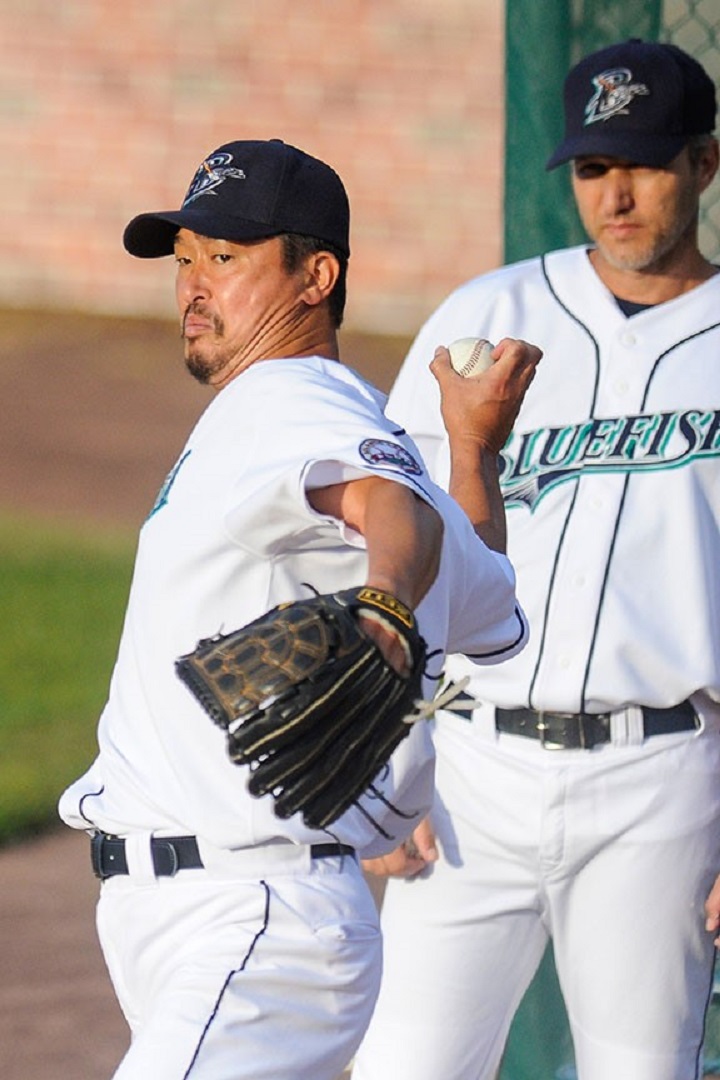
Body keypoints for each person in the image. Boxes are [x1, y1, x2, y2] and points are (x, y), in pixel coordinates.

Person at [57, 137, 540, 1080]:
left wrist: (384, 611)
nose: (194, 286)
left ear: (317, 277)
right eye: (185, 259)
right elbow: (485, 594)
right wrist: (473, 451)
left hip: (251, 915)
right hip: (222, 917)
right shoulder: (331, 420)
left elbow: (392, 509)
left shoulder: (289, 400)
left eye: (225, 258)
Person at [352, 38, 720, 1080]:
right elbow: (392, 534)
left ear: (705, 164)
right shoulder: (488, 313)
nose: (616, 197)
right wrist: (386, 758)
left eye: (644, 165)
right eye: (594, 169)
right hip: (471, 772)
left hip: (660, 776)